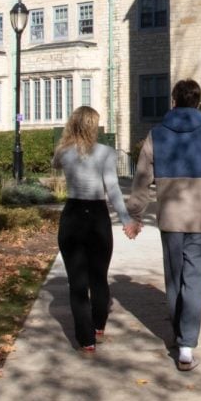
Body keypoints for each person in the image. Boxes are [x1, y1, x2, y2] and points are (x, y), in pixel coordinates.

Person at [125, 79, 201, 371]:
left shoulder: (156, 135)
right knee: (195, 282)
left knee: (175, 279)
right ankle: (186, 345)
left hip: (171, 219)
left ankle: (179, 336)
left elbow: (142, 178)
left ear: (173, 101)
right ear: (199, 102)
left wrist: (135, 213)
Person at [53, 105, 132, 355]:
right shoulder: (106, 152)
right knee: (98, 276)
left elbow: (56, 164)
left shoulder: (63, 152)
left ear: (73, 125)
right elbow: (113, 189)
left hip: (73, 216)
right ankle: (98, 324)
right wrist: (126, 219)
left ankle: (86, 340)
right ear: (92, 126)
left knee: (77, 282)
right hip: (97, 217)